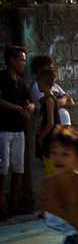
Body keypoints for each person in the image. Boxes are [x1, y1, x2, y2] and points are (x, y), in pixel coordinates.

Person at [0, 45, 34, 219]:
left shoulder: (21, 82)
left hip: (19, 130)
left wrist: (29, 108)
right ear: (11, 60)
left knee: (18, 167)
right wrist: (17, 108)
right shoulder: (2, 77)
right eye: (21, 59)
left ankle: (15, 203)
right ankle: (1, 206)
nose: (23, 63)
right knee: (2, 168)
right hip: (3, 130)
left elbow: (30, 101)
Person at [35, 68, 63, 176]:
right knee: (49, 169)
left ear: (43, 83)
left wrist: (41, 138)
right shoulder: (46, 99)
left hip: (49, 139)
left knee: (52, 171)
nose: (37, 84)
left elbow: (51, 122)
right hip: (47, 138)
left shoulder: (49, 100)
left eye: (39, 81)